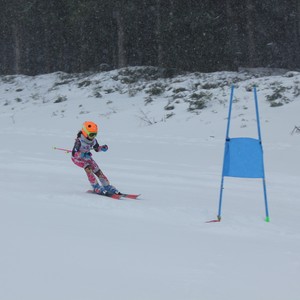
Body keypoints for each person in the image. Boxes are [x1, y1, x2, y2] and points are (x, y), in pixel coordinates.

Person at [71, 121, 119, 195]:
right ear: (85, 132)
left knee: (97, 170)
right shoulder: (79, 141)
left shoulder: (93, 140)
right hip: (77, 159)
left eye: (95, 134)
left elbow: (96, 149)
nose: (93, 136)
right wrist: (83, 155)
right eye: (91, 134)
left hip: (87, 157)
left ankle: (107, 186)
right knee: (88, 168)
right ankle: (95, 186)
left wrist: (102, 148)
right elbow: (74, 154)